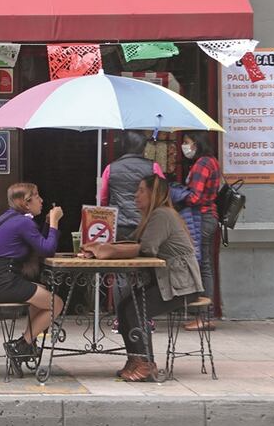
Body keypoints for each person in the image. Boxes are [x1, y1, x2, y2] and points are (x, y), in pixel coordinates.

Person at [82, 174, 203, 382]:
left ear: (153, 193)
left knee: (134, 310)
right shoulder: (153, 216)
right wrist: (103, 247)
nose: (135, 195)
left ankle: (146, 364)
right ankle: (135, 359)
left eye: (141, 190)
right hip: (168, 282)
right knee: (125, 307)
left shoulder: (162, 215)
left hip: (181, 285)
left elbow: (147, 249)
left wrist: (109, 250)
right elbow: (135, 244)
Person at [0, 182, 65, 377]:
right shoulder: (22, 222)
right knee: (55, 303)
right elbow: (47, 249)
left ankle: (27, 344)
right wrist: (54, 223)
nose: (41, 200)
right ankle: (21, 346)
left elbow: (38, 244)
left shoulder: (7, 219)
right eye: (37, 196)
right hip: (2, 283)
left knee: (41, 292)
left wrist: (46, 224)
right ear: (26, 202)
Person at [172, 131, 220, 331]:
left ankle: (204, 315)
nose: (185, 146)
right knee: (205, 264)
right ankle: (204, 315)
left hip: (201, 217)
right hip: (208, 217)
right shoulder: (212, 162)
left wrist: (177, 193)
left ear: (197, 144)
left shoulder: (202, 164)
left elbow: (195, 198)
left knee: (202, 266)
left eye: (187, 142)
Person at [100, 131, 165, 241]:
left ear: (123, 146)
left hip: (118, 224)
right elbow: (163, 194)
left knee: (121, 255)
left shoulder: (110, 168)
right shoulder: (154, 167)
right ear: (143, 147)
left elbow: (103, 199)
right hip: (146, 222)